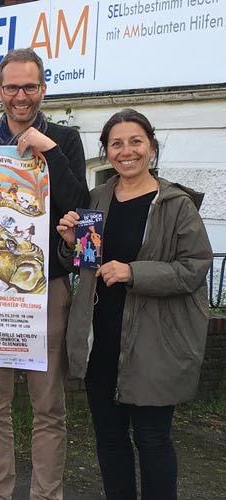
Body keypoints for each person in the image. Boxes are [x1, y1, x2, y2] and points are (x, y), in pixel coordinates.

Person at [0, 48, 89, 500]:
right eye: (11, 87)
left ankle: (47, 496)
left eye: (30, 86)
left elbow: (80, 210)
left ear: (43, 89)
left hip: (46, 291)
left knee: (48, 408)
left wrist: (49, 153)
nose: (21, 96)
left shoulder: (65, 139)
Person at [56, 109, 212, 500]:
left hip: (154, 343)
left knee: (152, 439)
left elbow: (194, 269)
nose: (127, 151)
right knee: (109, 440)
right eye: (117, 144)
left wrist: (133, 273)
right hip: (102, 339)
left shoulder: (176, 205)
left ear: (152, 148)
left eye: (136, 142)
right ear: (107, 152)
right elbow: (84, 265)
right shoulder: (97, 198)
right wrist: (70, 244)